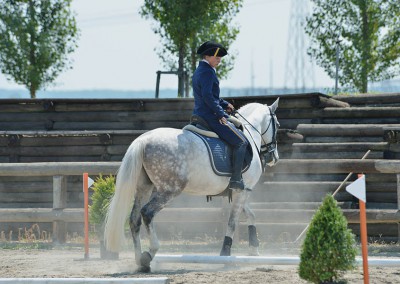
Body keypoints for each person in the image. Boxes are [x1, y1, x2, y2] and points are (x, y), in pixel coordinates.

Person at [192, 40, 248, 191]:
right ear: (208, 56)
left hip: (200, 113)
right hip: (210, 116)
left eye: (220, 58)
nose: (219, 60)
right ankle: (236, 179)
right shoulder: (208, 72)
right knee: (241, 142)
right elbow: (208, 97)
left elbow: (211, 96)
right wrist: (220, 113)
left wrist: (225, 104)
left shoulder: (200, 70)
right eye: (217, 57)